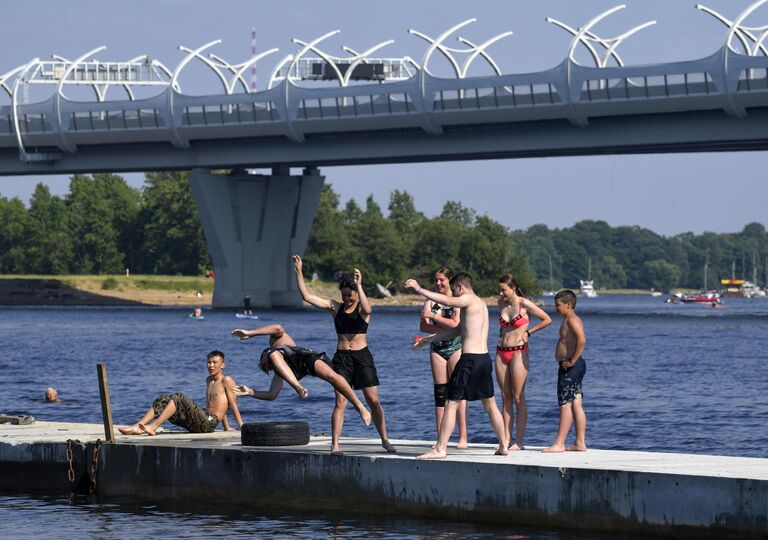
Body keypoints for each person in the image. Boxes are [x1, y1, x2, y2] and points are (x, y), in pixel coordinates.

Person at [293, 255, 396, 454]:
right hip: (342, 359)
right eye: (344, 295)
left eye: (350, 295)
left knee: (373, 401)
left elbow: (368, 308)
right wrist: (299, 271)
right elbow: (307, 297)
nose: (347, 299)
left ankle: (384, 439)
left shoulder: (362, 309)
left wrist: (360, 285)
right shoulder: (336, 307)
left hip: (362, 357)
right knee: (340, 402)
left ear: (356, 294)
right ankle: (335, 444)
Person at [406, 272, 507, 459]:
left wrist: (419, 289)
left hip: (469, 360)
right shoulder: (481, 305)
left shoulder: (468, 299)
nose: (453, 295)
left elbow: (447, 301)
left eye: (454, 290)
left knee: (451, 403)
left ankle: (440, 448)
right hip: (484, 360)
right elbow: (457, 330)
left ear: (460, 287)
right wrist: (429, 340)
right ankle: (503, 445)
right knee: (490, 404)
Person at [230, 323, 372, 428]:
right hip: (302, 371)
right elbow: (272, 395)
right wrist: (250, 392)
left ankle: (360, 406)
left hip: (308, 358)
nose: (267, 364)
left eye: (264, 361)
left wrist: (250, 333)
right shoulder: (281, 372)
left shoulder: (276, 345)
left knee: (333, 378)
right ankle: (298, 387)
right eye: (267, 368)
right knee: (277, 362)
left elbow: (278, 328)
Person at [118, 350, 243, 436]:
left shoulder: (227, 380)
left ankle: (153, 427)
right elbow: (216, 405)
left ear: (222, 365)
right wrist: (226, 427)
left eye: (214, 362)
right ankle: (138, 426)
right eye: (209, 362)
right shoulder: (209, 380)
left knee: (179, 397)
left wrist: (242, 427)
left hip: (209, 423)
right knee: (164, 399)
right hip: (202, 419)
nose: (210, 365)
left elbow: (232, 405)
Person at [496, 275, 552, 451]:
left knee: (518, 397)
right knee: (506, 397)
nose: (501, 292)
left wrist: (529, 333)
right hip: (501, 352)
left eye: (504, 289)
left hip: (518, 352)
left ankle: (519, 441)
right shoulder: (501, 303)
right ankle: (505, 439)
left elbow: (546, 319)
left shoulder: (524, 303)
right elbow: (503, 328)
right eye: (500, 289)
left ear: (513, 288)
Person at [418, 266, 468, 448]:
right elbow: (423, 327)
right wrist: (444, 329)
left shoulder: (456, 300)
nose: (438, 283)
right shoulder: (430, 300)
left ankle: (463, 437)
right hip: (437, 347)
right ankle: (441, 438)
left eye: (442, 280)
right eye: (436, 280)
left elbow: (456, 323)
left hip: (455, 347)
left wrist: (434, 317)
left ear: (449, 280)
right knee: (440, 393)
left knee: (457, 392)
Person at [543, 290, 588, 453]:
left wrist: (572, 361)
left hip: (571, 367)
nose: (555, 308)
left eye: (558, 305)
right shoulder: (569, 319)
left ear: (568, 305)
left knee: (565, 404)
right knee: (576, 403)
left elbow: (582, 339)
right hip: (573, 366)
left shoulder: (572, 320)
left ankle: (559, 443)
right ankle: (580, 443)